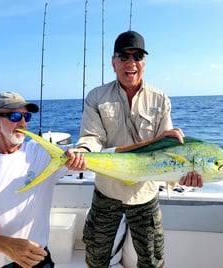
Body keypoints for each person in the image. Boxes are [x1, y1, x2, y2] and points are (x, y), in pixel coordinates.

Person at [72, 30, 203, 268]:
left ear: (144, 63)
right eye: (124, 56)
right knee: (95, 257)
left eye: (138, 56)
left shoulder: (160, 99)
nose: (131, 63)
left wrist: (185, 174)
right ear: (113, 63)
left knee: (152, 260)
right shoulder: (96, 97)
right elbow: (91, 138)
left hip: (145, 194)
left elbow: (169, 149)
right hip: (107, 192)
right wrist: (82, 152)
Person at [0, 91, 86, 268]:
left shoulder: (44, 153)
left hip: (37, 260)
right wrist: (7, 245)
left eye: (26, 116)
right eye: (15, 116)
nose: (23, 123)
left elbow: (94, 153)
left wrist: (81, 154)